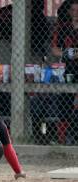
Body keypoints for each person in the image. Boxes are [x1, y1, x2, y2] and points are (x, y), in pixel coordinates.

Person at [51, 0, 78, 145]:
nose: (76, 14)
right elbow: (54, 49)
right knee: (65, 99)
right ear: (69, 12)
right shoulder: (64, 28)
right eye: (73, 11)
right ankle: (63, 136)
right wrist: (67, 53)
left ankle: (73, 133)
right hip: (70, 68)